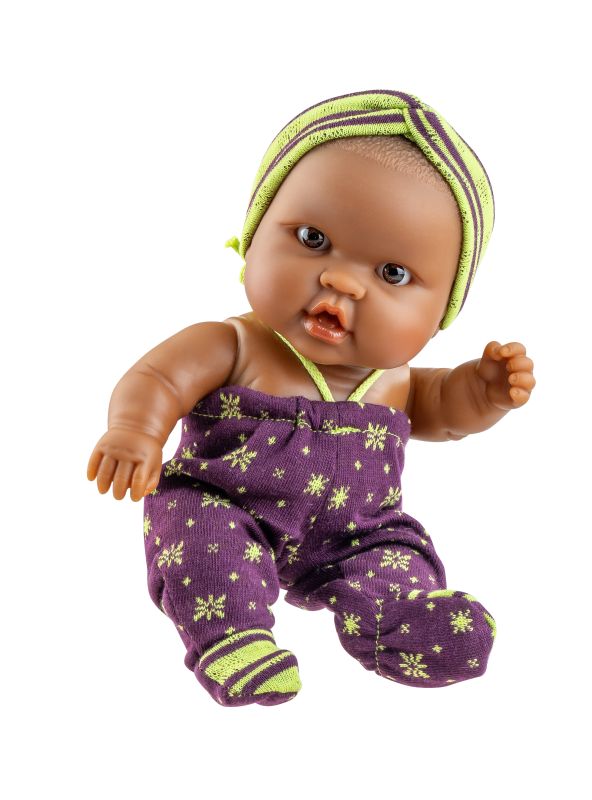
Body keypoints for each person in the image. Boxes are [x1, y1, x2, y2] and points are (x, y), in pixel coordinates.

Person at [87, 90, 535, 707]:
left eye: (393, 273)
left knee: (398, 557)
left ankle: (402, 624)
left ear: (440, 313)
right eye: (313, 237)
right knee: (196, 536)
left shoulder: (398, 376)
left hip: (357, 534)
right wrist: (137, 431)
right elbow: (159, 379)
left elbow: (440, 413)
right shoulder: (237, 343)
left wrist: (481, 394)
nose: (341, 279)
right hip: (228, 506)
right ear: (253, 236)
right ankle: (232, 638)